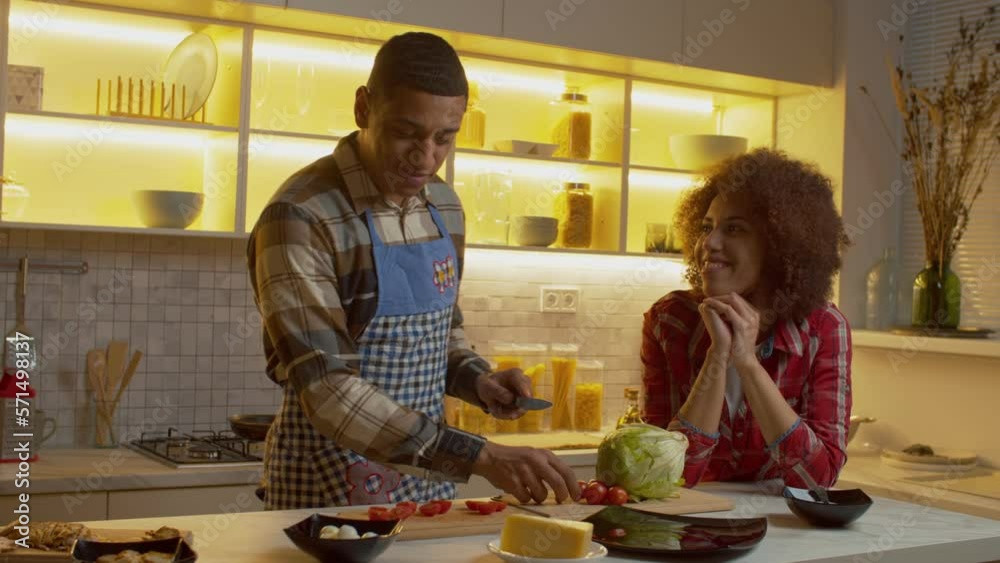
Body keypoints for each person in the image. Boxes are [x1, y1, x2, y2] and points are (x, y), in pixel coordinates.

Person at [247, 32, 580, 509]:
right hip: (329, 491)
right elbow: (327, 390)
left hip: (429, 489)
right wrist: (479, 456)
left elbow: (442, 332)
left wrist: (477, 379)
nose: (425, 158)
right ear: (364, 108)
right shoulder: (301, 217)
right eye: (406, 132)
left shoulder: (444, 205)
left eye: (444, 138)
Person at [640, 148, 852, 489]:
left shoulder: (823, 329)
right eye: (707, 227)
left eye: (734, 229)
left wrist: (747, 362)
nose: (710, 243)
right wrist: (717, 357)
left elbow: (818, 477)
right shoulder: (670, 321)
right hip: (690, 521)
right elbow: (662, 476)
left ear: (780, 246)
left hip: (786, 530)